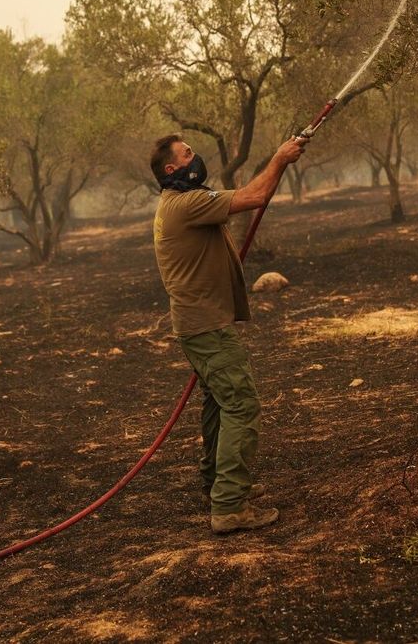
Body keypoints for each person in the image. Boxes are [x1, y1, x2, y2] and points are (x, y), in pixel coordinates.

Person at [150, 132, 307, 535]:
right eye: (187, 154)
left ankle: (216, 486)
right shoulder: (187, 204)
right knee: (241, 404)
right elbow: (255, 195)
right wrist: (280, 158)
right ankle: (230, 506)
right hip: (206, 328)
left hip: (198, 324)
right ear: (173, 169)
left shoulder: (182, 203)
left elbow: (252, 194)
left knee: (219, 404)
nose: (195, 156)